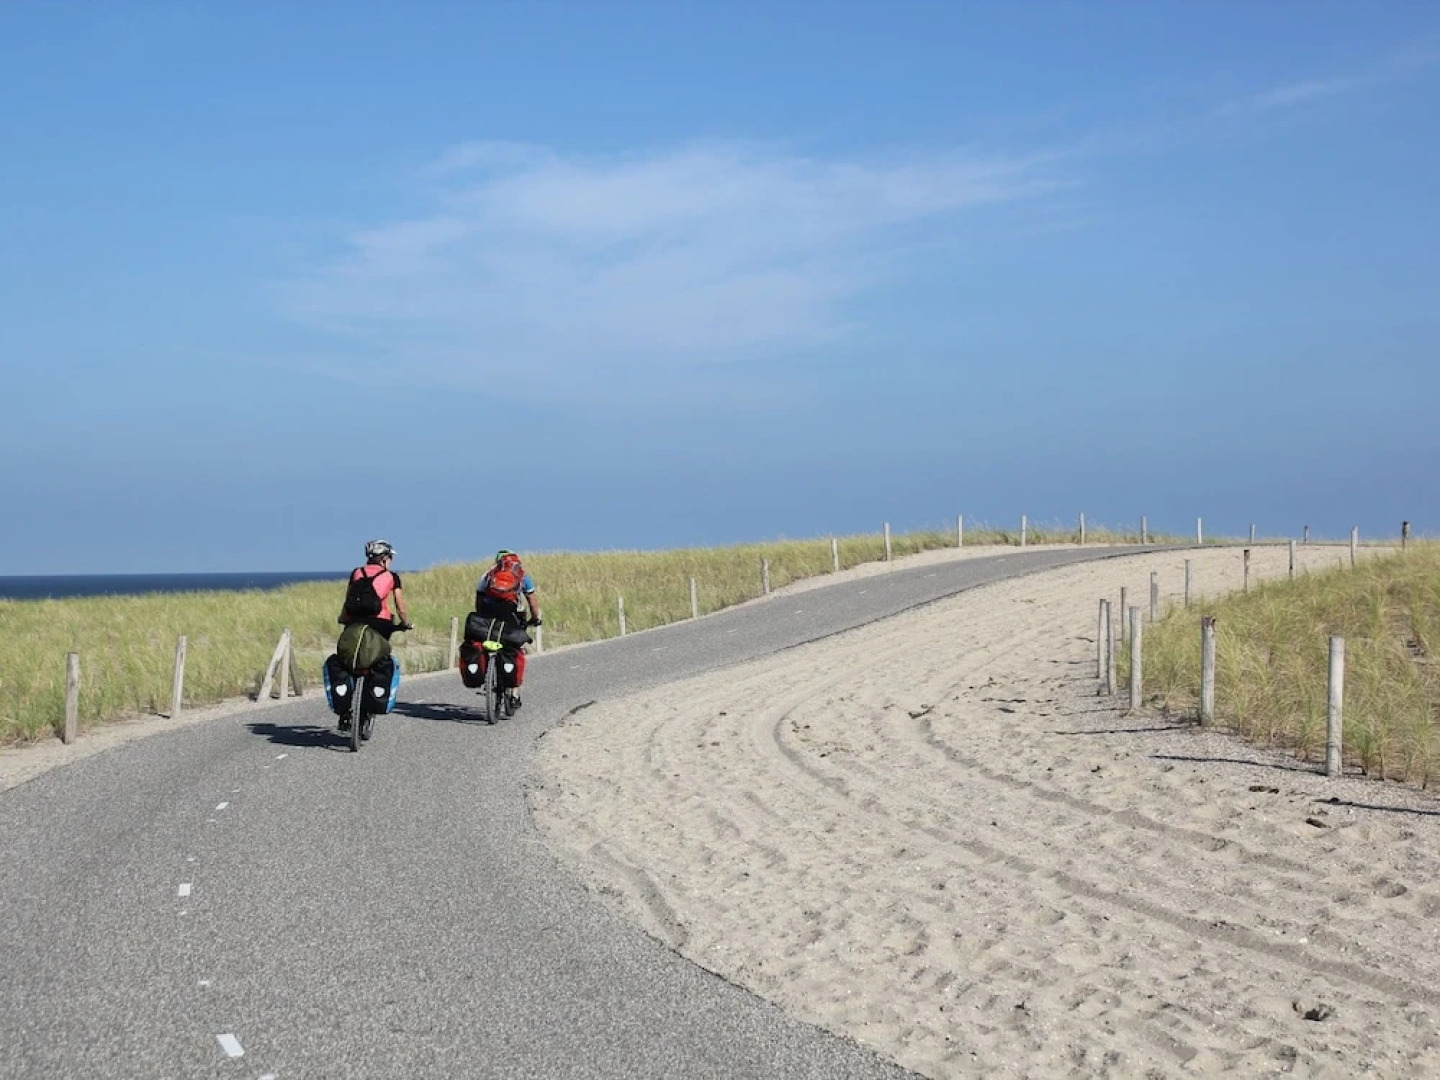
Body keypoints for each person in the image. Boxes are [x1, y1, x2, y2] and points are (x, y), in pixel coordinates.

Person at [332, 540, 412, 736]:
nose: (391, 561)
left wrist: (344, 618)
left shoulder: (356, 573)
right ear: (384, 559)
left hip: (353, 623)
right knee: (380, 657)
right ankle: (373, 695)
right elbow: (399, 606)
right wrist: (405, 623)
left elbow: (348, 599)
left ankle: (345, 706)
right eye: (390, 557)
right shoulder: (391, 577)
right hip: (380, 624)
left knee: (347, 660)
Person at [470, 549, 541, 712]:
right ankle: (514, 693)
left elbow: (479, 597)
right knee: (516, 649)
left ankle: (487, 670)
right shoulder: (522, 576)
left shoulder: (488, 575)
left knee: (486, 643)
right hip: (511, 614)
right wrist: (535, 619)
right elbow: (532, 601)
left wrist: (481, 617)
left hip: (488, 615)